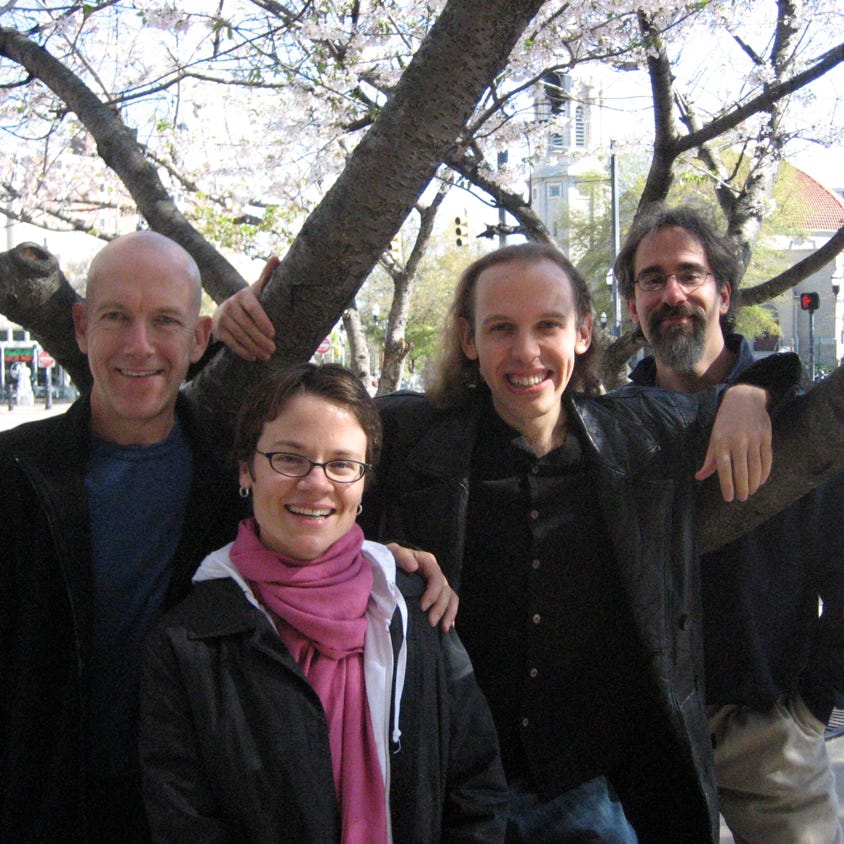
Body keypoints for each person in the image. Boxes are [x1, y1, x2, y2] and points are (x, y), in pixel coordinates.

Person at [213, 241, 800, 842]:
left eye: (547, 325)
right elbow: (295, 439)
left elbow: (774, 392)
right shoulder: (411, 437)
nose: (526, 352)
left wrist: (751, 393)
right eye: (501, 329)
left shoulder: (641, 436)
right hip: (448, 795)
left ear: (583, 333)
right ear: (469, 341)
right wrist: (225, 337)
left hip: (586, 792)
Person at [0, 232, 455, 843]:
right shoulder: (17, 475)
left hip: (205, 807)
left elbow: (310, 536)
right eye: (116, 318)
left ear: (198, 338)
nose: (140, 345)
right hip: (49, 807)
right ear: (81, 328)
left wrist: (383, 561)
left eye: (165, 320)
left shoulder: (229, 480)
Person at [139, 362, 508, 842]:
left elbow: (476, 788)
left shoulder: (415, 610)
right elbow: (186, 825)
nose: (316, 484)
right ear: (246, 469)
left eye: (342, 464)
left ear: (363, 485)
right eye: (289, 459)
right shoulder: (187, 646)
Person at [615, 202, 844, 844]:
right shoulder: (612, 431)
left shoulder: (794, 416)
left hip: (771, 731)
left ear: (724, 292)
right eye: (651, 279)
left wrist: (812, 704)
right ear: (632, 304)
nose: (671, 294)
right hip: (648, 736)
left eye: (689, 274)